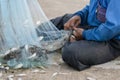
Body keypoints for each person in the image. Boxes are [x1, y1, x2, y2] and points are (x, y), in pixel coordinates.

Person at [51, 0, 120, 71]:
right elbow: (92, 8)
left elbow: (112, 28)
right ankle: (40, 37)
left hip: (112, 39)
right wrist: (79, 16)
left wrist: (85, 34)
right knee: (61, 21)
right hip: (95, 28)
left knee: (71, 52)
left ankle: (71, 41)